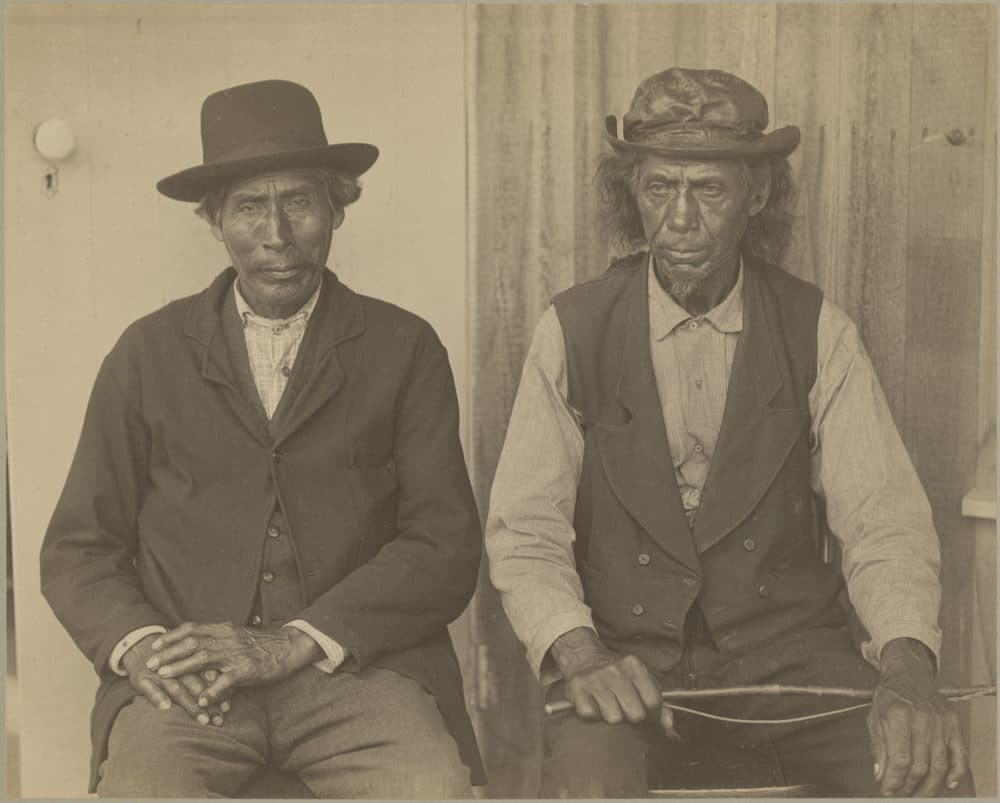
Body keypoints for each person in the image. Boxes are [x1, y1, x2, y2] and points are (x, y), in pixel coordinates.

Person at [485, 67, 971, 798]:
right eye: (658, 189)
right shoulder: (573, 330)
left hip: (790, 665)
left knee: (927, 773)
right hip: (624, 668)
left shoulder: (818, 332)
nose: (679, 220)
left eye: (708, 190)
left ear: (758, 194)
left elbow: (885, 524)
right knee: (589, 785)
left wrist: (906, 667)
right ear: (634, 192)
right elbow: (524, 531)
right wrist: (581, 654)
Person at [40, 79, 483, 798]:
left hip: (358, 673)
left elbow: (444, 544)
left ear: (337, 208)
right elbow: (78, 546)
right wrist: (144, 648)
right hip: (190, 687)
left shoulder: (405, 348)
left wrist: (294, 641)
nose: (276, 236)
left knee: (429, 789)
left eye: (300, 202)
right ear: (214, 220)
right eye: (249, 206)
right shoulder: (147, 353)